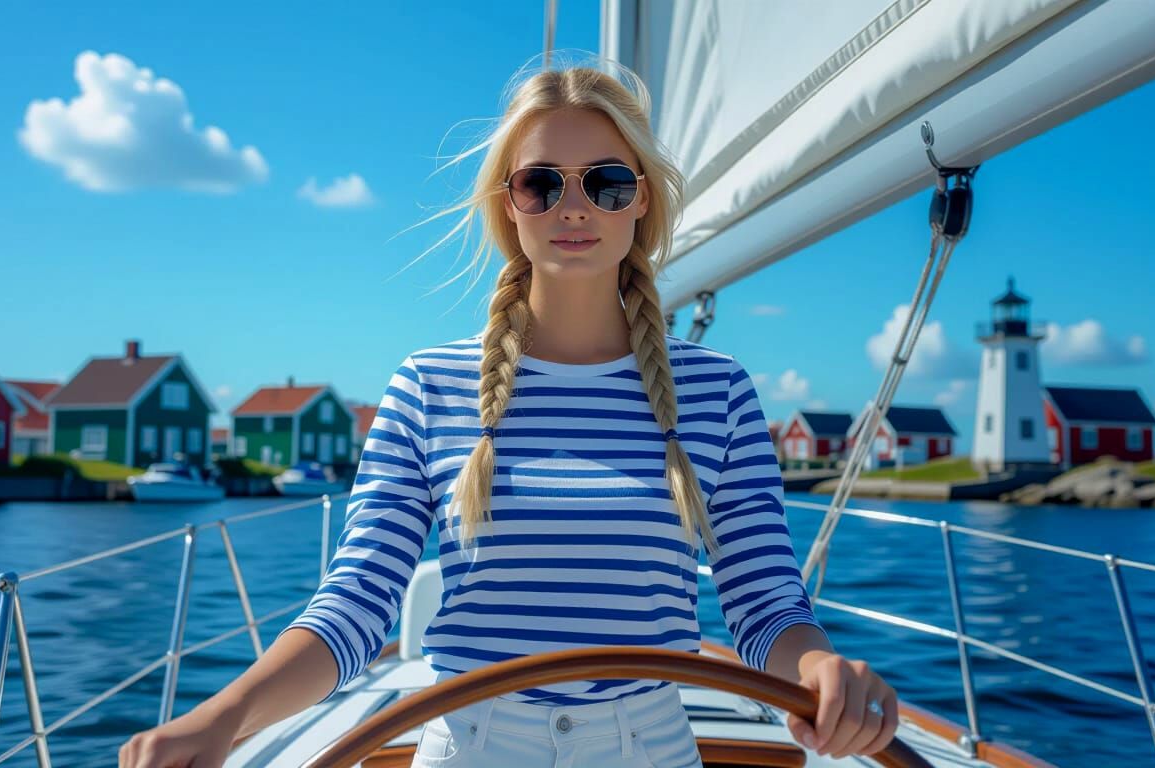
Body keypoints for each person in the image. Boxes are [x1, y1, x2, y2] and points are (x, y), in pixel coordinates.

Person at [118, 57, 898, 768]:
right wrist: (222, 721)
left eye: (607, 182)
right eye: (541, 183)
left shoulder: (717, 392)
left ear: (641, 201)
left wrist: (821, 666)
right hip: (473, 744)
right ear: (510, 204)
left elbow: (764, 605)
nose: (574, 205)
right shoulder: (428, 387)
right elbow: (357, 603)